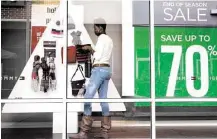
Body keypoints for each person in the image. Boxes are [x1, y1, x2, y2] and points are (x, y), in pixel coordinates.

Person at [71, 18, 113, 139]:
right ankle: (105, 132)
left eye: (95, 28)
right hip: (107, 70)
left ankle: (84, 132)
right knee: (104, 100)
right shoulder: (110, 40)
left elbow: (98, 55)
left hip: (99, 70)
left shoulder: (101, 39)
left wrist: (89, 49)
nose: (94, 30)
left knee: (87, 97)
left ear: (100, 28)